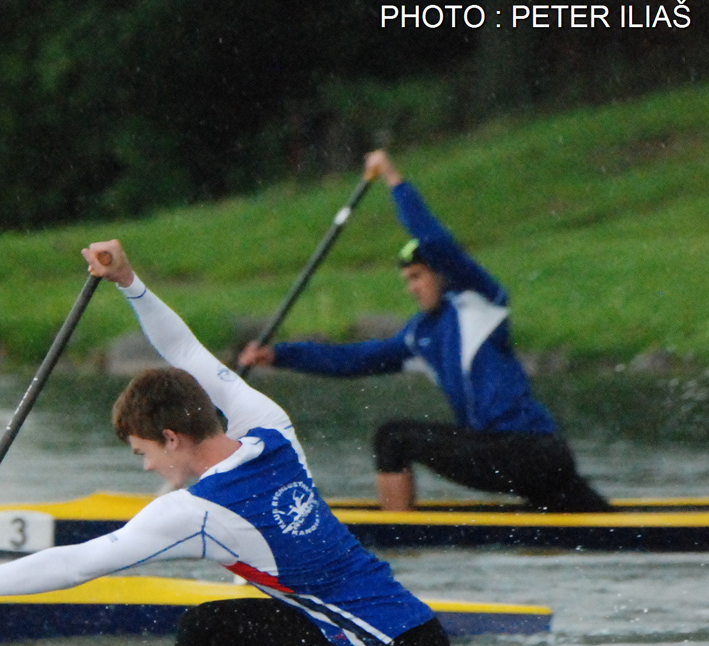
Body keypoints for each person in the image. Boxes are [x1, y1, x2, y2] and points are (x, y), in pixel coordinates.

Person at [0, 240, 489, 646]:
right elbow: (184, 350)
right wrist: (130, 282)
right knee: (208, 625)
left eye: (143, 452)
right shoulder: (269, 425)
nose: (146, 467)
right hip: (344, 628)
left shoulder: (197, 512)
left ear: (172, 437)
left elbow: (79, 563)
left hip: (388, 642)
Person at [238, 150, 609, 513]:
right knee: (612, 529)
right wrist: (280, 355)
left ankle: (399, 536)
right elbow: (353, 359)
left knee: (393, 438)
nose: (411, 287)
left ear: (440, 273)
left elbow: (434, 241)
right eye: (407, 280)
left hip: (531, 451)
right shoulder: (419, 338)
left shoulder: (481, 301)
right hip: (516, 459)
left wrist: (393, 179)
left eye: (417, 276)